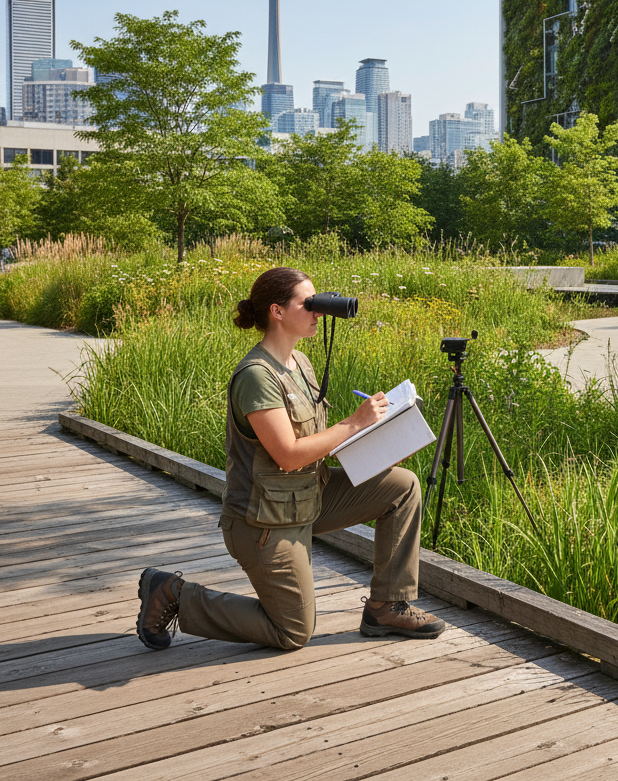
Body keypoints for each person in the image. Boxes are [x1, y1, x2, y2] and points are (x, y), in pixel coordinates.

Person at [135, 266, 446, 651]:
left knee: (402, 485)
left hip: (307, 498)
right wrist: (353, 423)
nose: (319, 312)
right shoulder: (256, 375)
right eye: (309, 303)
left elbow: (316, 443)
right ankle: (173, 593)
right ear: (277, 312)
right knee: (293, 631)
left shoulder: (300, 364)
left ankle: (386, 606)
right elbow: (287, 455)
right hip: (263, 520)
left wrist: (382, 437)